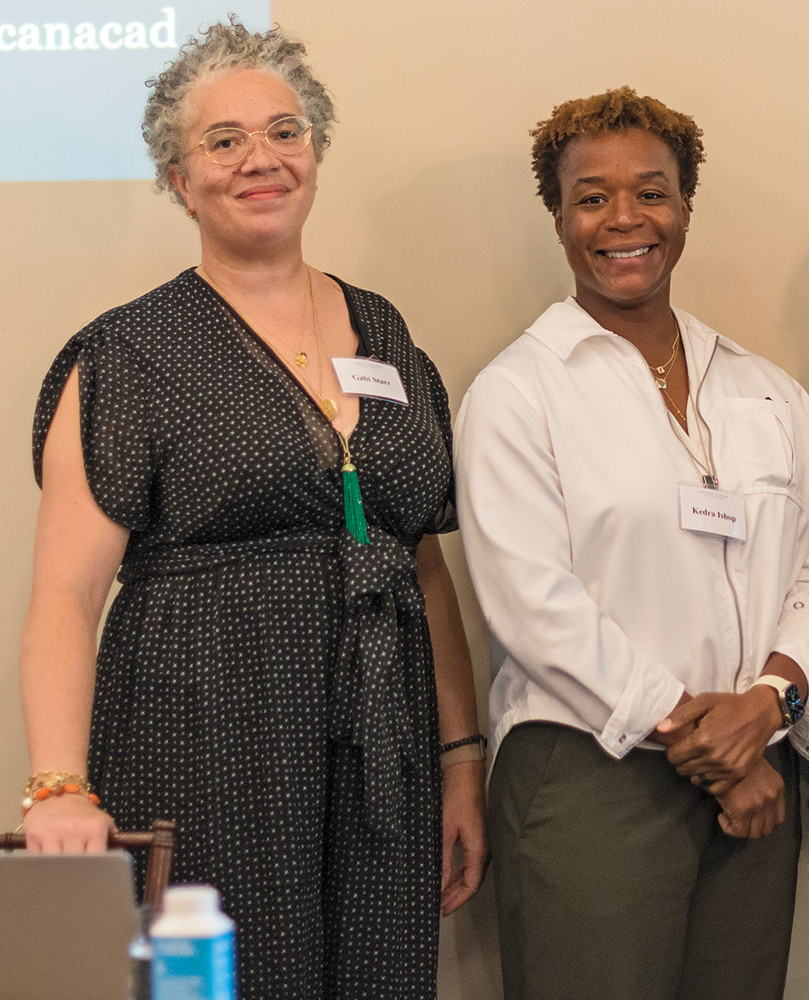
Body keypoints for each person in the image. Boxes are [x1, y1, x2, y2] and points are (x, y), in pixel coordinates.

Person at [19, 21, 486, 999]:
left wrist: (459, 759)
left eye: (285, 130)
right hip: (202, 733)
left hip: (381, 755)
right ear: (180, 179)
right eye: (222, 141)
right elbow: (65, 593)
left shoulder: (389, 332)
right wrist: (60, 787)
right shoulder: (126, 356)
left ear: (315, 152)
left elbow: (422, 566)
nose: (259, 158)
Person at [453, 86, 809, 1000]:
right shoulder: (519, 394)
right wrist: (702, 739)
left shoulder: (762, 389)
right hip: (592, 779)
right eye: (592, 197)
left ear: (685, 207)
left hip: (760, 768)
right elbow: (532, 606)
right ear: (557, 216)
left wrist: (766, 706)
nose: (624, 219)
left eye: (652, 192)